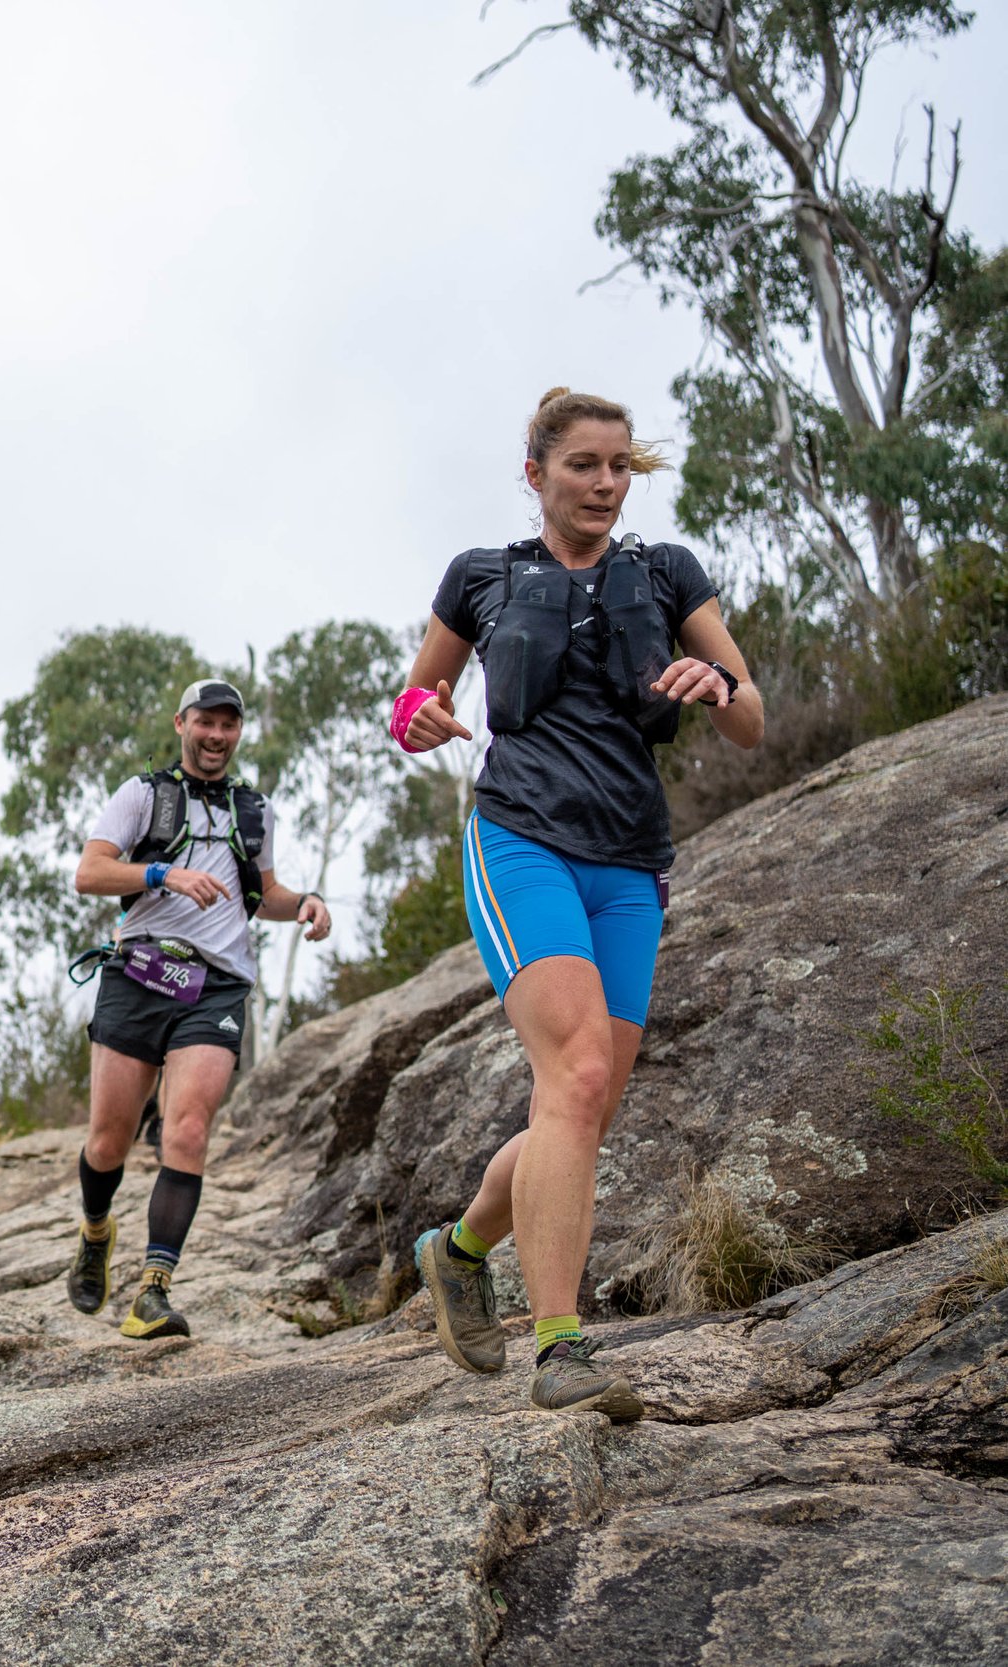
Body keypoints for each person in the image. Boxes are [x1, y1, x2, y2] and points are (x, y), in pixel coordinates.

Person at [396, 386, 764, 1419]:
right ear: (536, 474)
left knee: (582, 1109)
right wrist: (419, 720)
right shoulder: (482, 578)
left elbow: (751, 716)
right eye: (582, 465)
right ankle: (559, 1347)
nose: (604, 483)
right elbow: (413, 699)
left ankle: (459, 1248)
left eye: (618, 467)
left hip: (630, 859)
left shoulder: (665, 573)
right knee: (579, 1067)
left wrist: (717, 685)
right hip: (519, 838)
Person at [64, 678, 333, 1338]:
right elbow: (90, 873)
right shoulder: (143, 796)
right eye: (205, 723)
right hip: (140, 970)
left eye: (229, 725)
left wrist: (303, 903)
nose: (216, 736)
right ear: (181, 723)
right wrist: (162, 873)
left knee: (186, 1129)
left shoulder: (253, 810)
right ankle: (96, 1228)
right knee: (108, 1139)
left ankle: (152, 1291)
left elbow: (262, 891)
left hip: (216, 984)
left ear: (238, 732)